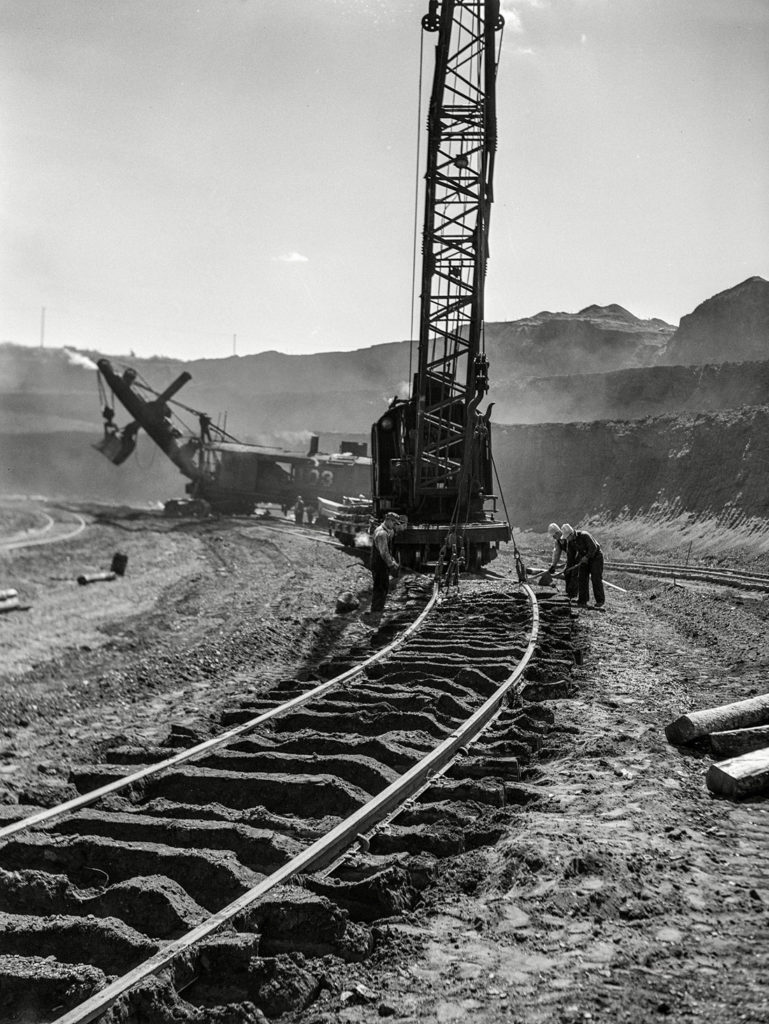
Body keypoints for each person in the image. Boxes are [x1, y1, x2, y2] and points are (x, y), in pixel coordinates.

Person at [561, 523, 604, 608]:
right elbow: (570, 557)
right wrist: (568, 568)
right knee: (582, 578)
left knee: (596, 578)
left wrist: (587, 557)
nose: (567, 540)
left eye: (567, 537)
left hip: (596, 557)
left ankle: (600, 601)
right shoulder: (570, 542)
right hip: (583, 558)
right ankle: (583, 600)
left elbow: (593, 548)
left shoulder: (584, 535)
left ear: (572, 534)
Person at [369, 512, 402, 614]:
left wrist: (393, 561)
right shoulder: (381, 534)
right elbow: (384, 552)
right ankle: (376, 609)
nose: (394, 525)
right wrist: (392, 564)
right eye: (393, 522)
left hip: (381, 563)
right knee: (380, 585)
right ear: (388, 520)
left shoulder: (388, 531)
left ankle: (379, 607)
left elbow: (388, 551)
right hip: (379, 563)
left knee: (383, 584)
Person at [546, 522, 578, 598]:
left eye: (554, 536)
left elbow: (575, 550)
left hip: (578, 557)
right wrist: (553, 565)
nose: (554, 538)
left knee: (574, 574)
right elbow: (557, 552)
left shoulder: (568, 536)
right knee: (567, 573)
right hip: (571, 558)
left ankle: (574, 594)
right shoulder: (558, 541)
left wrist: (572, 562)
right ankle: (568, 593)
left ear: (558, 533)